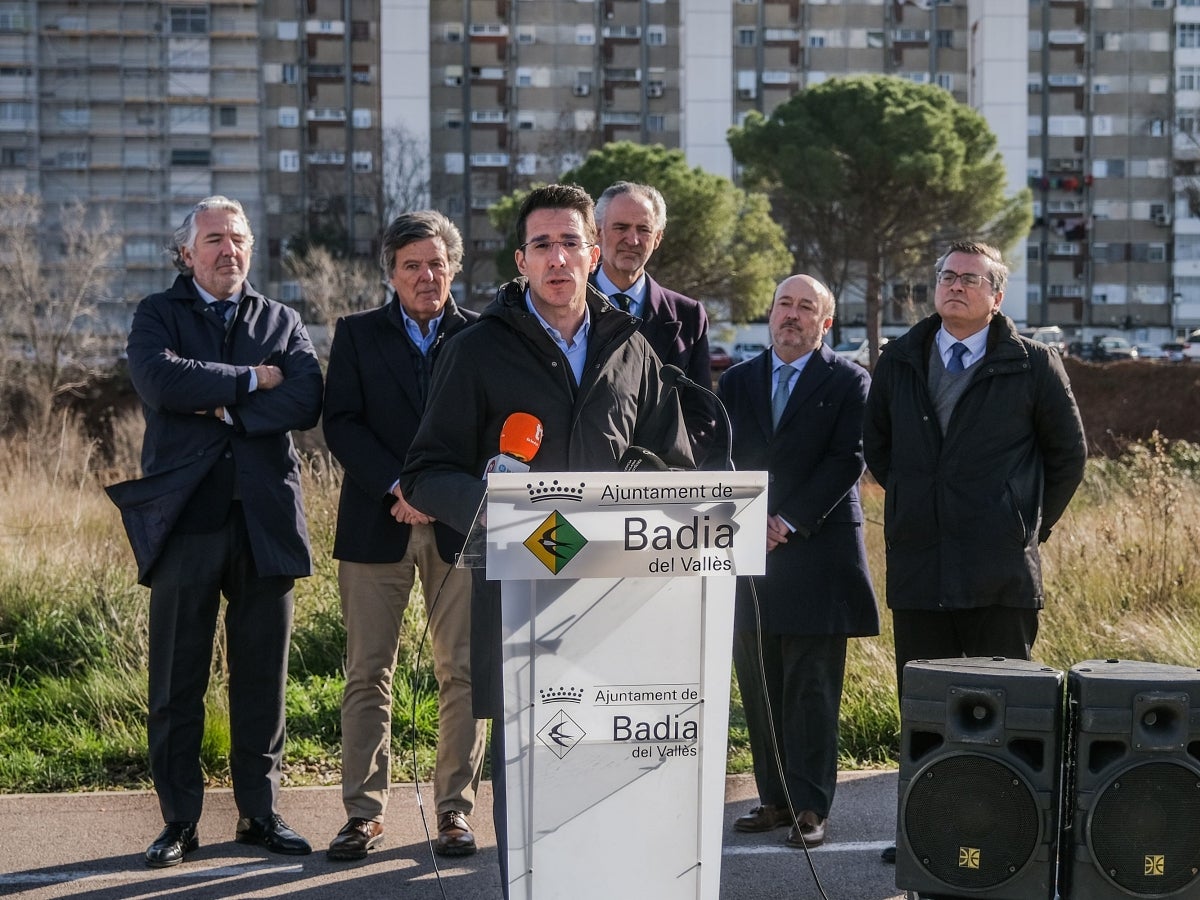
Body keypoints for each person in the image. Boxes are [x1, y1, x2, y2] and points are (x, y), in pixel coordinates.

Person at [401, 183, 693, 894]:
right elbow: (426, 473)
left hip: (618, 600)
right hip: (524, 599)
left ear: (595, 255)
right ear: (521, 262)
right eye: (542, 245)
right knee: (534, 787)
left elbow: (677, 467)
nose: (558, 257)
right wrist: (506, 514)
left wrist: (643, 507)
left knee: (610, 780)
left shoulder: (634, 349)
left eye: (571, 243)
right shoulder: (475, 353)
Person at [106, 195, 323, 867]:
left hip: (265, 521)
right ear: (187, 253)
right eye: (214, 240)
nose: (228, 250)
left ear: (250, 249)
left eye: (238, 239)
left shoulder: (281, 320)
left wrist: (227, 409)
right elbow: (161, 380)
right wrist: (250, 381)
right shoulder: (158, 314)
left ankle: (260, 814)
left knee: (263, 678)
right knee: (176, 681)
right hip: (185, 518)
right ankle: (179, 823)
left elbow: (307, 395)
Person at [862, 240, 1086, 863]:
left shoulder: (1034, 363)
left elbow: (1069, 456)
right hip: (920, 568)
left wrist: (1024, 528)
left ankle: (1000, 840)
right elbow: (878, 448)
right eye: (946, 276)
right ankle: (924, 835)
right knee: (927, 716)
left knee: (1004, 715)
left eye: (969, 278)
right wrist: (916, 502)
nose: (954, 286)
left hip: (999, 576)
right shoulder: (901, 358)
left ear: (996, 295)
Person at [321, 211, 485, 861]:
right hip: (376, 522)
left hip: (456, 528)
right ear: (391, 273)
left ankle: (454, 812)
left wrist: (438, 495)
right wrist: (399, 486)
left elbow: (491, 431)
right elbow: (342, 423)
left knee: (463, 673)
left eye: (437, 264)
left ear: (454, 268)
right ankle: (363, 814)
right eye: (412, 265)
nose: (426, 276)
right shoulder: (357, 335)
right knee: (367, 673)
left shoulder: (483, 337)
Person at [717, 274, 879, 850]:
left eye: (805, 307)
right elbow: (720, 457)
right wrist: (747, 520)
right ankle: (775, 799)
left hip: (816, 554)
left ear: (825, 322)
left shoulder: (849, 380)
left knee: (810, 689)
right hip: (746, 554)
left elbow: (847, 460)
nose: (791, 314)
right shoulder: (736, 381)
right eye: (784, 303)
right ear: (770, 312)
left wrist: (783, 521)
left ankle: (812, 806)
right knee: (760, 686)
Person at [592, 181, 716, 464]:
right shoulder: (566, 307)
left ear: (658, 238)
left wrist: (668, 471)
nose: (632, 240)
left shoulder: (689, 316)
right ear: (597, 233)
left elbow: (701, 415)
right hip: (583, 485)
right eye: (621, 227)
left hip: (657, 490)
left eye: (644, 230)